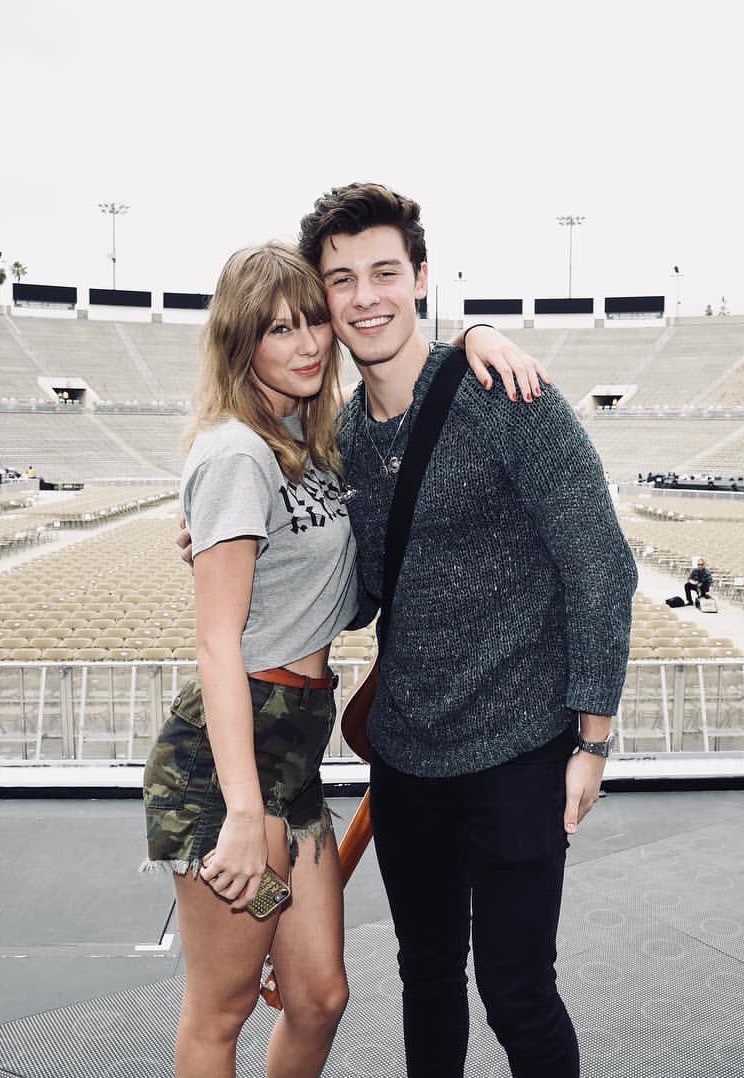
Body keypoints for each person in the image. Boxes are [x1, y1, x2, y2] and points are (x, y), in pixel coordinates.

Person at [151, 241, 548, 1078]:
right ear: (239, 343)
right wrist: (241, 812)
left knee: (318, 998)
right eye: (278, 330)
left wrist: (473, 337)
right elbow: (216, 643)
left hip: (295, 753)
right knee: (220, 1009)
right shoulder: (235, 453)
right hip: (232, 764)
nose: (305, 345)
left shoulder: (305, 436)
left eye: (312, 323)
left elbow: (351, 578)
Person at [295, 184, 634, 1077]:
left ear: (421, 279)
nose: (365, 297)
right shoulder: (340, 440)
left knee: (518, 992)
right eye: (341, 279)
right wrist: (236, 551)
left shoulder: (506, 395)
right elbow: (359, 596)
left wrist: (593, 740)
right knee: (428, 974)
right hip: (407, 757)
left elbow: (601, 564)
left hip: (520, 751)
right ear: (323, 299)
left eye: (384, 273)